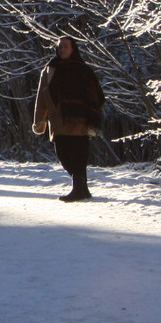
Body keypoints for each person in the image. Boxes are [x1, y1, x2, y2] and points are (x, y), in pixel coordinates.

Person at [32, 36, 105, 201]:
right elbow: (42, 96)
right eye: (60, 46)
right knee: (63, 154)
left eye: (66, 46)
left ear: (73, 49)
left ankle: (79, 189)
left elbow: (97, 96)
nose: (62, 49)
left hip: (80, 120)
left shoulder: (84, 70)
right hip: (59, 119)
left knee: (79, 154)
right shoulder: (50, 69)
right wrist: (39, 120)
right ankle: (81, 188)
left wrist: (89, 112)